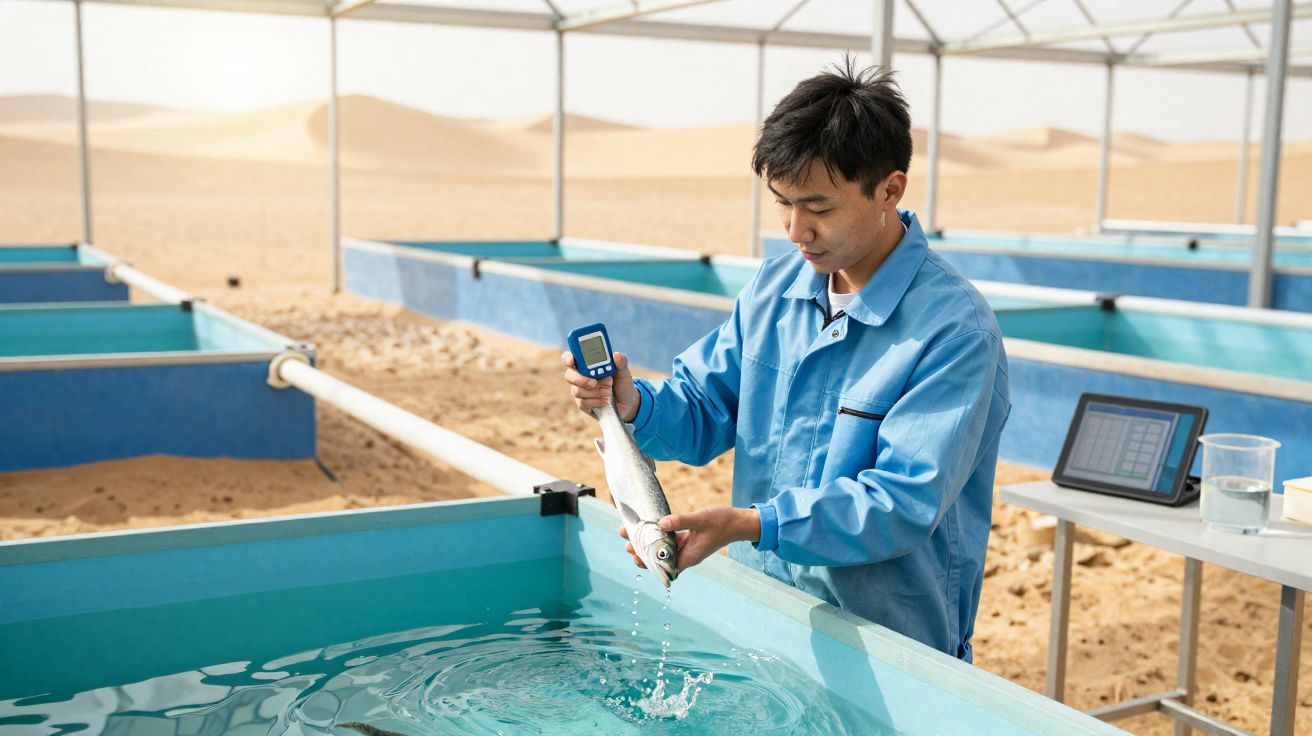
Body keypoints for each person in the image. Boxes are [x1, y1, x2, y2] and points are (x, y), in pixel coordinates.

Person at [562, 58, 1010, 662]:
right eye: (783, 204)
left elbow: (900, 505)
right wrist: (634, 403)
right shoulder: (775, 290)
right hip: (765, 619)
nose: (797, 231)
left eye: (819, 209)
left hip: (887, 645)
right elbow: (706, 404)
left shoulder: (954, 332)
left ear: (889, 190)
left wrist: (756, 525)